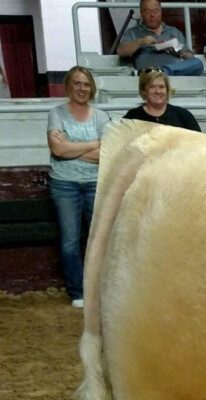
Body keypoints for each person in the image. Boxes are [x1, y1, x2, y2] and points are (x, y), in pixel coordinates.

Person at [46, 67, 110, 308]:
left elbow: (107, 152)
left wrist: (72, 146)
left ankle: (100, 290)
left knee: (99, 239)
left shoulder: (101, 116)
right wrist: (93, 144)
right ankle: (77, 291)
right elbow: (58, 150)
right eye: (77, 83)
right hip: (64, 185)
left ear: (91, 87)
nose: (82, 88)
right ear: (69, 86)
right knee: (70, 240)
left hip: (96, 182)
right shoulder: (56, 113)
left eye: (86, 84)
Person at [116, 0, 203, 76]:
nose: (152, 15)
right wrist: (140, 42)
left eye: (155, 11)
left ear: (161, 12)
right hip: (148, 76)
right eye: (147, 11)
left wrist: (177, 52)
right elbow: (121, 51)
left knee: (198, 63)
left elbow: (190, 56)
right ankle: (159, 72)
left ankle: (162, 71)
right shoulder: (133, 32)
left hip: (173, 74)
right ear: (141, 13)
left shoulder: (173, 31)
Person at [123, 68, 201, 131]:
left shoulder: (183, 115)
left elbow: (200, 144)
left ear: (167, 89)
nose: (158, 91)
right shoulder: (132, 118)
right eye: (152, 87)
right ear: (143, 90)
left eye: (161, 87)